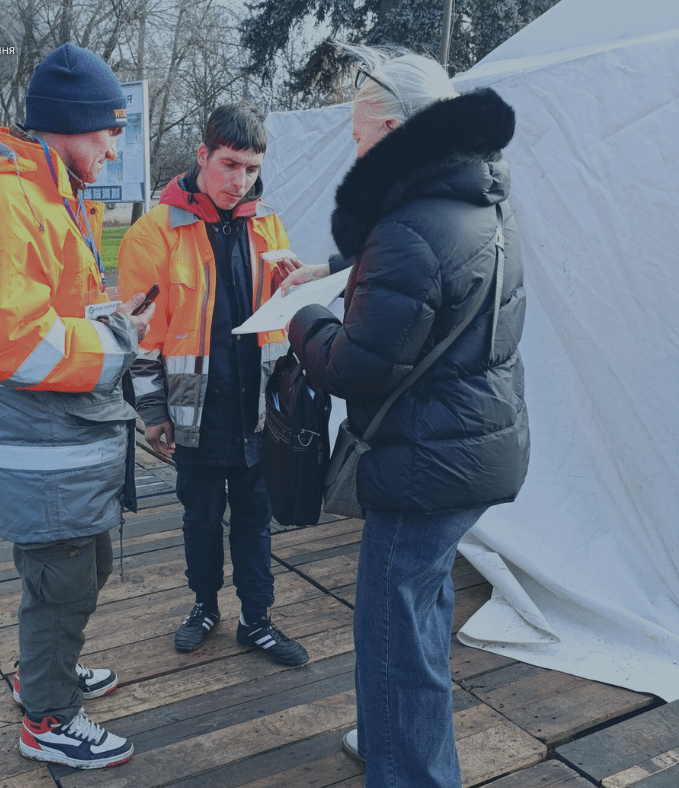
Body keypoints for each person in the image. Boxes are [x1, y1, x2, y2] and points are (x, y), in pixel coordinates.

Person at [284, 45, 529, 787]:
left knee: (392, 633)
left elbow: (354, 363)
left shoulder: (410, 227)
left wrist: (301, 318)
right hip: (478, 447)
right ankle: (403, 738)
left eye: (359, 135)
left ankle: (412, 771)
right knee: (416, 619)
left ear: (391, 129)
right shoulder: (478, 200)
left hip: (425, 461)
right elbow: (425, 279)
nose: (353, 149)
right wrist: (332, 272)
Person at [0, 43, 155, 769]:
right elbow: (12, 345)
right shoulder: (2, 201)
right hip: (40, 446)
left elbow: (54, 310)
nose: (115, 149)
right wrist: (119, 339)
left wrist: (109, 312)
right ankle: (49, 718)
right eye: (106, 132)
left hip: (64, 439)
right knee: (61, 584)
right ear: (65, 125)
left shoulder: (53, 194)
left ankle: (44, 671)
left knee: (88, 569)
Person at [118, 102, 309, 667]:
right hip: (191, 413)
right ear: (202, 156)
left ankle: (257, 619)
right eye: (229, 164)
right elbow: (139, 341)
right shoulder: (154, 232)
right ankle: (203, 606)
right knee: (200, 518)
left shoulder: (269, 223)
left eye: (251, 168)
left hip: (256, 410)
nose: (239, 180)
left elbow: (286, 317)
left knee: (255, 519)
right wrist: (152, 416)